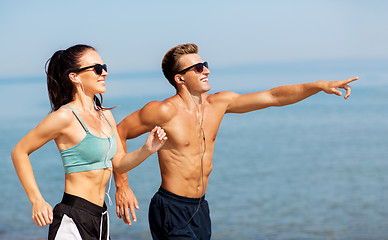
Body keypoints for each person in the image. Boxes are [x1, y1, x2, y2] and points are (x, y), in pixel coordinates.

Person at [115, 43, 358, 240]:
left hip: (200, 208)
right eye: (198, 68)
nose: (207, 71)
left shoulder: (219, 104)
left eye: (205, 65)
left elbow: (273, 96)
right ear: (180, 78)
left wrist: (319, 86)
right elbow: (119, 131)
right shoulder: (162, 111)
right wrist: (122, 186)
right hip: (171, 208)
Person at [11, 44, 167, 240]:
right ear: (75, 77)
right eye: (98, 69)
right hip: (72, 218)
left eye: (105, 67)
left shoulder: (106, 116)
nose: (105, 74)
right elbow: (19, 151)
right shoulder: (64, 117)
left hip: (100, 217)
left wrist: (147, 149)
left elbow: (118, 163)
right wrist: (37, 201)